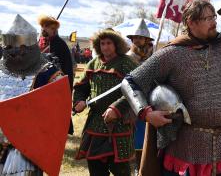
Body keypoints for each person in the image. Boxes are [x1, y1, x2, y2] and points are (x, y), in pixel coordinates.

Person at [120, 0, 221, 176]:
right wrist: (146, 113)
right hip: (186, 147)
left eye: (214, 17)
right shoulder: (172, 54)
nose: (214, 22)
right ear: (192, 22)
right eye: (208, 18)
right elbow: (130, 82)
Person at [0, 14, 68, 175]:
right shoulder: (1, 68)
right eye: (10, 48)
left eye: (20, 47)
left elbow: (56, 111)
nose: (15, 52)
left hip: (26, 146)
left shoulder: (48, 72)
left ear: (29, 46)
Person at [73, 29, 138, 176]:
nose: (105, 47)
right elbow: (81, 87)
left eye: (109, 43)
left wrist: (117, 108)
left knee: (121, 170)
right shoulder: (93, 64)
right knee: (95, 166)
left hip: (120, 122)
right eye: (102, 43)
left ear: (116, 45)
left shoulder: (127, 63)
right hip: (96, 121)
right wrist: (79, 100)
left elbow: (136, 89)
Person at [125, 19, 155, 176]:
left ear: (147, 40)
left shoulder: (154, 56)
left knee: (146, 133)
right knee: (134, 133)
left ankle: (145, 162)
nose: (137, 40)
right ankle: (135, 163)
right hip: (133, 98)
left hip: (150, 97)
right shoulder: (128, 57)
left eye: (140, 37)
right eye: (135, 37)